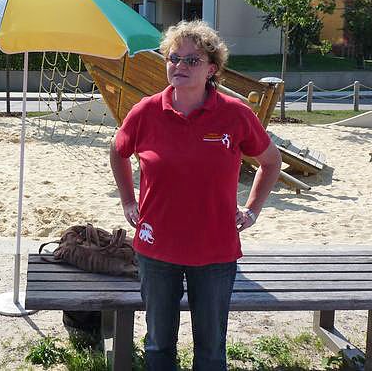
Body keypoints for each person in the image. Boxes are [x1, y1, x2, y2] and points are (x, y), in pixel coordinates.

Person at [109, 20, 282, 370]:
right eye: (174, 58)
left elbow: (271, 162)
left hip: (215, 249)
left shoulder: (235, 114)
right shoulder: (145, 111)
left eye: (192, 60)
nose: (180, 65)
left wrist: (252, 210)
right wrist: (128, 200)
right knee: (158, 345)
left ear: (212, 68)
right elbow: (117, 151)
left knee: (211, 349)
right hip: (156, 249)